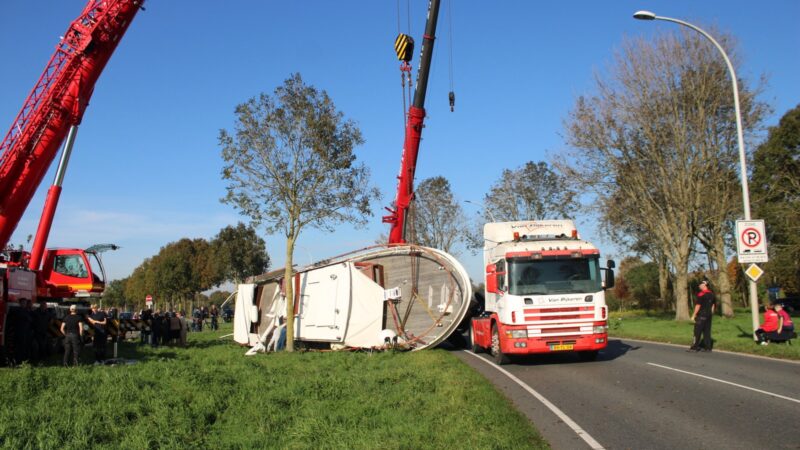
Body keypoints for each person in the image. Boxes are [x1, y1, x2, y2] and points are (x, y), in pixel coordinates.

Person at [688, 280, 715, 352]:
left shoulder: (701, 294)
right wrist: (711, 313)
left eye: (700, 285)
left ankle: (694, 347)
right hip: (709, 315)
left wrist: (693, 315)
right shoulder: (712, 294)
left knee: (697, 331)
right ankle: (708, 348)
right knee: (707, 332)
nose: (699, 286)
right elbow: (713, 305)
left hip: (701, 315)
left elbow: (698, 305)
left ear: (704, 285)